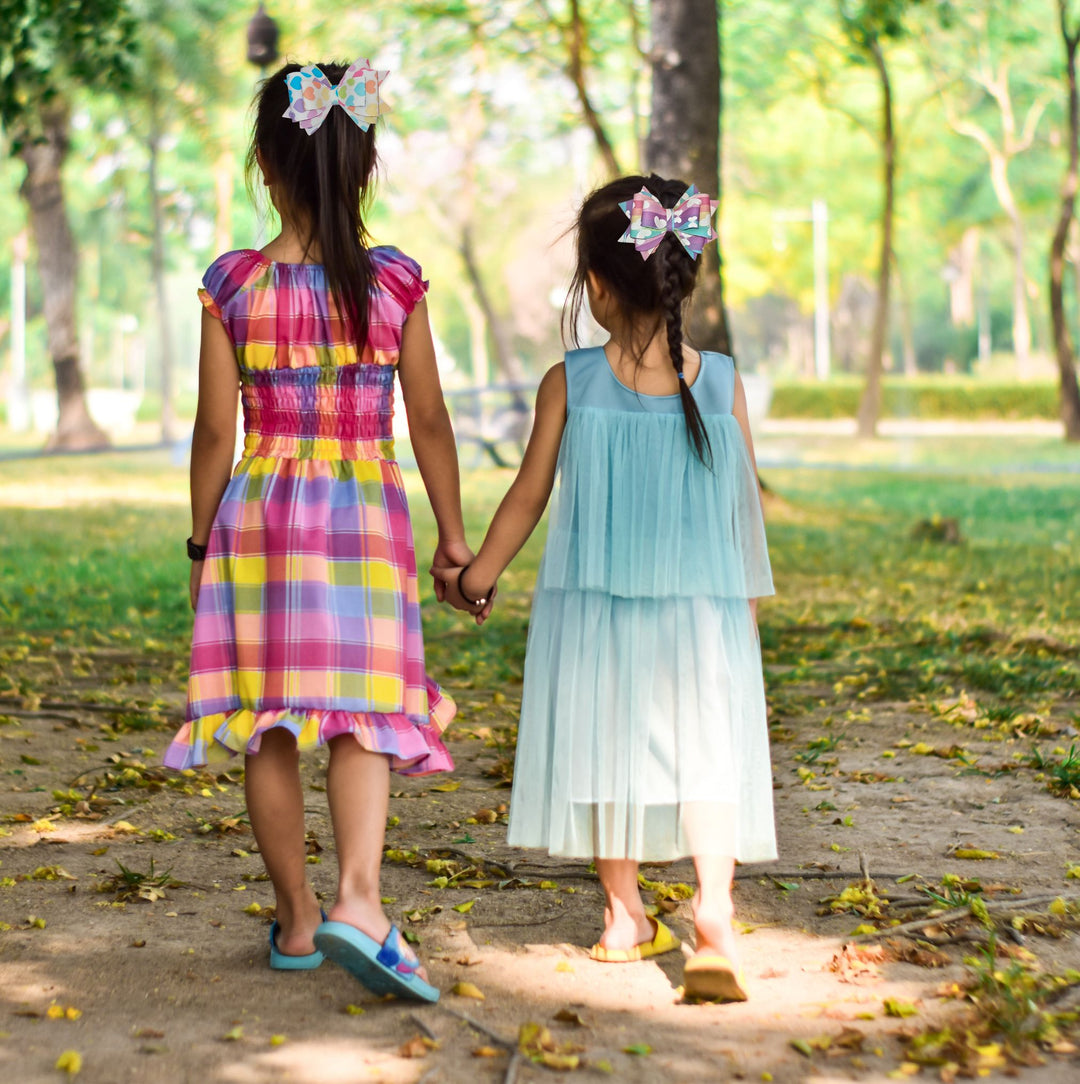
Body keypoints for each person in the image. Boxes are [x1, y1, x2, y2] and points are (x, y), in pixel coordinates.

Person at [164, 59, 470, 1004]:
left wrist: (200, 543)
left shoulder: (234, 284)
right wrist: (454, 539)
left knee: (268, 723)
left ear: (265, 162)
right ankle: (361, 900)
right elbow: (428, 422)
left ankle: (298, 918)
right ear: (366, 165)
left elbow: (218, 430)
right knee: (362, 712)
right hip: (363, 515)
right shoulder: (395, 283)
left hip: (258, 519)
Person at [435, 174, 776, 1002]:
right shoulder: (722, 381)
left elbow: (527, 496)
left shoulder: (570, 382)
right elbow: (744, 509)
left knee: (604, 752)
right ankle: (716, 918)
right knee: (707, 761)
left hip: (594, 616)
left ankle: (625, 915)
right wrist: (745, 616)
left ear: (595, 286)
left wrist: (473, 576)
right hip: (702, 617)